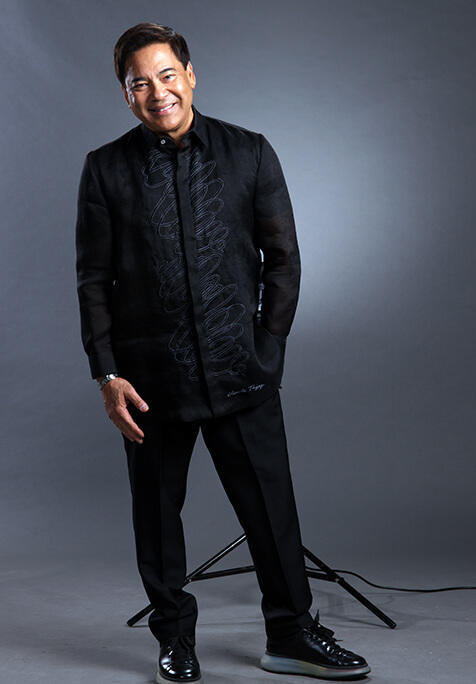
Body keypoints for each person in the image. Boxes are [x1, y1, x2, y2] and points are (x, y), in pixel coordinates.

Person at [76, 22, 370, 684]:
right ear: (126, 94)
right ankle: (175, 639)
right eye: (140, 83)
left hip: (243, 371)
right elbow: (93, 280)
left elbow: (283, 259)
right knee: (157, 517)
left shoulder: (249, 152)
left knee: (272, 510)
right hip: (150, 380)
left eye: (167, 75)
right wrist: (108, 374)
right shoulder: (105, 168)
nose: (157, 92)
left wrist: (268, 347)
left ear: (190, 75)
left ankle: (291, 635)